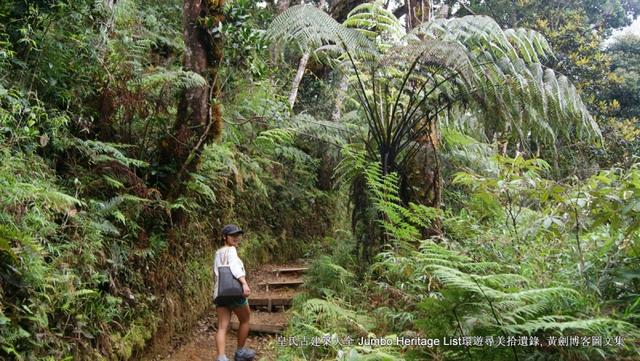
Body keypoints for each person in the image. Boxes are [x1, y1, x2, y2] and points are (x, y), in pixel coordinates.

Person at [213, 224, 256, 361]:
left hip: (220, 294)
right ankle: (240, 352)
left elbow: (216, 274)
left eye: (237, 235)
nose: (236, 238)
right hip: (234, 292)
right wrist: (244, 284)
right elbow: (235, 268)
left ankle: (221, 357)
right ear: (224, 237)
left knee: (221, 326)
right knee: (245, 319)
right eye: (233, 235)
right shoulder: (231, 250)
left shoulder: (217, 253)